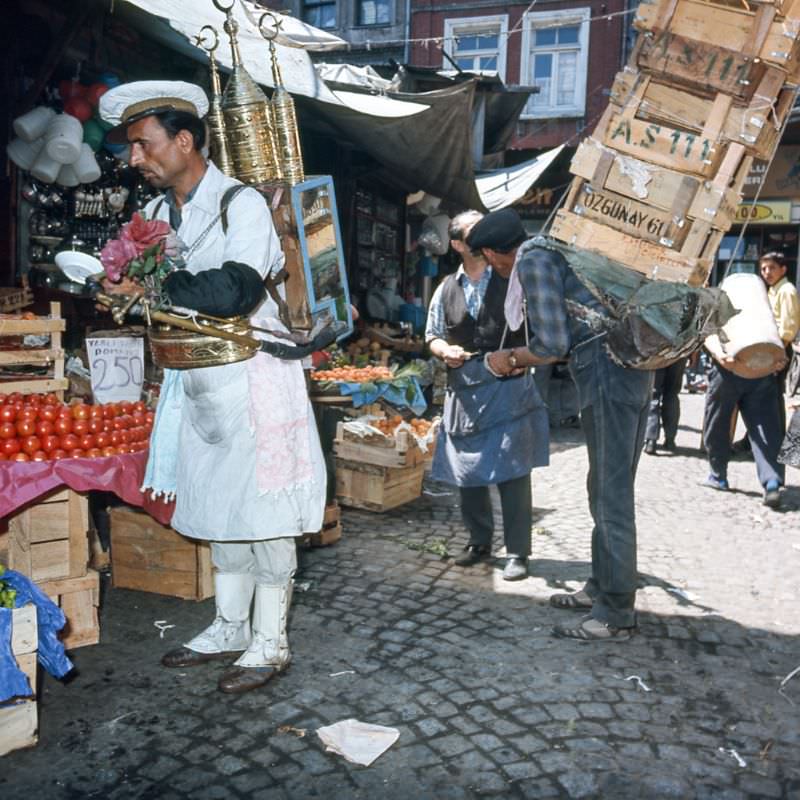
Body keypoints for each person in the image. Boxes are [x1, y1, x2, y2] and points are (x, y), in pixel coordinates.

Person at [99, 81, 326, 693]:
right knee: (222, 506)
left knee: (267, 511)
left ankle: (270, 640)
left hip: (256, 381)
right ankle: (229, 624)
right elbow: (141, 281)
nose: (135, 160)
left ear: (184, 140)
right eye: (131, 149)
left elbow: (234, 290)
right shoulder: (152, 216)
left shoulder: (239, 204)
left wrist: (147, 291)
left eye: (143, 146)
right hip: (197, 382)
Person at [474, 209, 653, 641]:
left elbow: (553, 344)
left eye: (489, 259)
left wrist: (509, 358)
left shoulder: (531, 260)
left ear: (497, 254)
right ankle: (600, 586)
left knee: (610, 494)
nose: (494, 268)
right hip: (631, 367)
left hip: (608, 372)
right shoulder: (554, 246)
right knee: (605, 486)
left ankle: (615, 613)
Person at [425, 210, 549, 581]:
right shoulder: (447, 287)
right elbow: (431, 334)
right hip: (466, 391)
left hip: (509, 389)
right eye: (473, 233)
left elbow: (540, 329)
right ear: (458, 245)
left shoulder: (514, 276)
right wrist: (442, 350)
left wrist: (522, 356)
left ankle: (517, 552)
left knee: (513, 471)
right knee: (469, 471)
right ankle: (479, 541)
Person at [700, 332, 786, 508]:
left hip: (727, 366)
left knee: (718, 422)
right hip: (761, 364)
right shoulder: (764, 302)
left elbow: (707, 327)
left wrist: (719, 354)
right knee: (766, 425)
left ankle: (718, 476)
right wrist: (779, 354)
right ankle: (772, 482)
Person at [760, 251, 800, 430]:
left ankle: (775, 438)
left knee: (773, 395)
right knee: (764, 396)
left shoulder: (786, 291)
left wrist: (777, 354)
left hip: (779, 349)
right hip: (770, 348)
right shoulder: (772, 290)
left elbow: (788, 328)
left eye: (772, 268)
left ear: (783, 269)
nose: (767, 272)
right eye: (763, 269)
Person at [642, 359, 686, 455]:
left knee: (654, 395)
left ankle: (651, 439)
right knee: (672, 394)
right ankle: (670, 439)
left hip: (658, 351)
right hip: (679, 353)